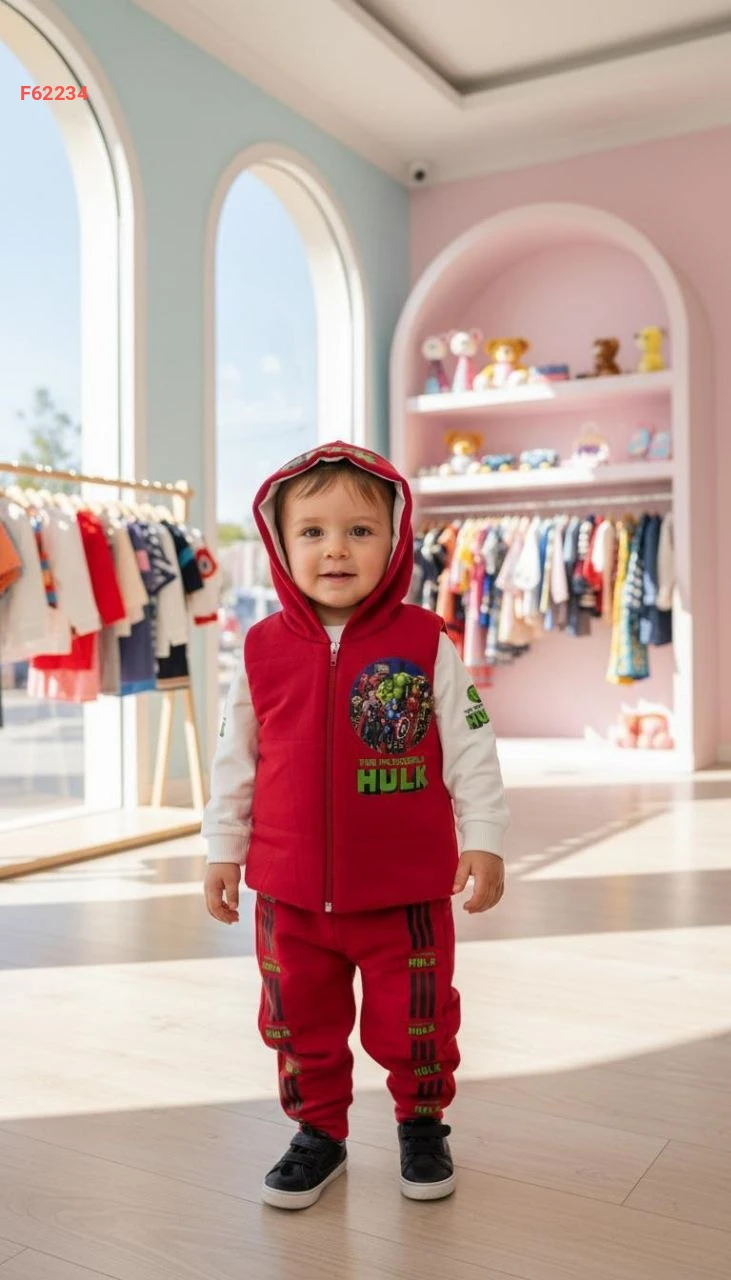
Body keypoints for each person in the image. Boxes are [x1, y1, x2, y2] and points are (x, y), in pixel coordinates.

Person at [202, 440, 509, 1211]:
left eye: (359, 531)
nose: (335, 548)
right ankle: (318, 1134)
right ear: (280, 544)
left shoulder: (425, 641)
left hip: (403, 891)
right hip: (287, 892)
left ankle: (421, 1124)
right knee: (297, 1023)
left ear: (395, 540)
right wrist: (222, 850)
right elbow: (235, 758)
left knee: (416, 1021)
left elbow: (471, 745)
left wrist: (483, 837)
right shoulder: (260, 648)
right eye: (312, 532)